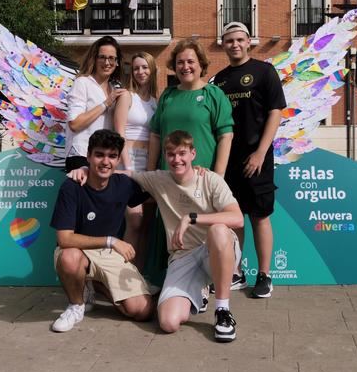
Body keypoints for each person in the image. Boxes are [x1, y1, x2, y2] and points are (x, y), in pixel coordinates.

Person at [69, 130, 244, 342]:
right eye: (171, 154)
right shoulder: (159, 179)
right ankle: (198, 290)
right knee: (168, 323)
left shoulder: (210, 179)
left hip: (214, 249)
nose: (176, 159)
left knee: (218, 230)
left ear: (193, 154)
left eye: (182, 153)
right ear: (165, 156)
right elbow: (121, 174)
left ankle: (223, 311)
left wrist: (191, 217)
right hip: (184, 257)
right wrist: (86, 169)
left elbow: (237, 219)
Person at [50, 129, 154, 333]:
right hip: (78, 251)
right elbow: (64, 239)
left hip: (108, 256)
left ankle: (94, 285)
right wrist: (111, 241)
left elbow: (156, 193)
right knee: (69, 258)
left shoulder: (123, 184)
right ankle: (76, 305)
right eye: (99, 155)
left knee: (142, 311)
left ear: (117, 160)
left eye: (112, 156)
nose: (105, 161)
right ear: (88, 156)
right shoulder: (71, 187)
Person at [212, 22, 286, 298]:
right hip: (229, 161)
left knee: (259, 217)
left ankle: (265, 276)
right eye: (229, 40)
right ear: (223, 44)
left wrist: (260, 153)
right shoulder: (218, 80)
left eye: (240, 40)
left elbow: (275, 112)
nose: (235, 44)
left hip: (258, 160)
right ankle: (236, 272)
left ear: (249, 42)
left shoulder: (264, 71)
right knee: (234, 220)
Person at [147, 39, 233, 175]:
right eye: (180, 62)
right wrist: (150, 174)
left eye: (190, 61)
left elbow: (225, 136)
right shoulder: (168, 95)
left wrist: (218, 177)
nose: (185, 66)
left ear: (201, 64)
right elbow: (155, 135)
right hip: (167, 177)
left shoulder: (214, 94)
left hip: (201, 177)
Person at [113, 52, 158, 270]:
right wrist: (128, 167)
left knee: (148, 223)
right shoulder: (126, 96)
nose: (141, 72)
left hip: (149, 165)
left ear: (152, 70)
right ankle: (124, 276)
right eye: (137, 68)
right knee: (135, 220)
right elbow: (119, 133)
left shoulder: (156, 101)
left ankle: (139, 277)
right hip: (128, 162)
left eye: (145, 67)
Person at [65, 36, 128, 172]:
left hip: (104, 159)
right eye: (102, 57)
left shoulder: (115, 88)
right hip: (81, 156)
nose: (107, 62)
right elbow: (75, 124)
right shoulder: (82, 83)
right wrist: (105, 103)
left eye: (111, 58)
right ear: (94, 58)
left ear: (117, 62)